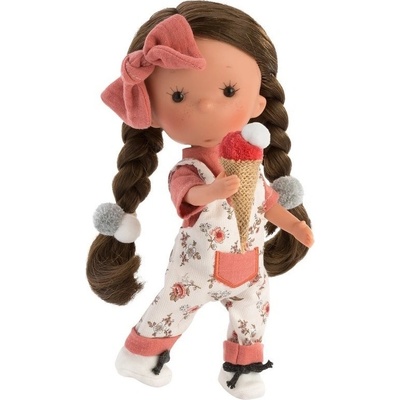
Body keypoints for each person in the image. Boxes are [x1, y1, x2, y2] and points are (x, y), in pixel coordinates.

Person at [87, 2, 314, 399]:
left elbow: (266, 203)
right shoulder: (189, 168)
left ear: (258, 103)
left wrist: (294, 225)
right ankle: (138, 356)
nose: (207, 106)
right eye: (178, 95)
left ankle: (242, 371)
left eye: (229, 91)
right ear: (152, 113)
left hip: (248, 268)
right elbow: (186, 194)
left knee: (255, 313)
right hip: (197, 268)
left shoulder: (252, 167)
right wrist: (213, 191)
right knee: (172, 308)